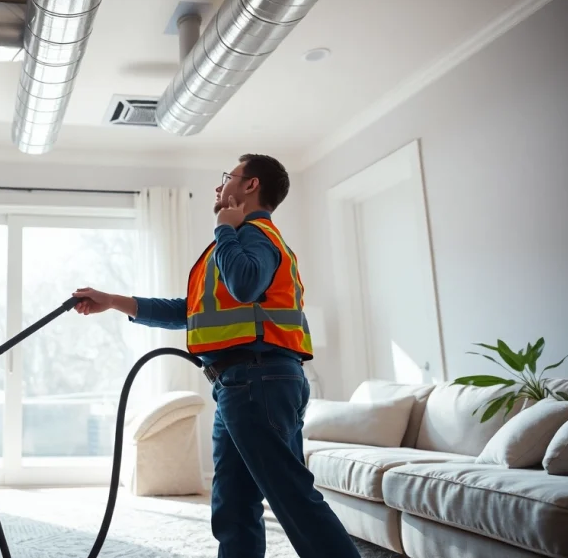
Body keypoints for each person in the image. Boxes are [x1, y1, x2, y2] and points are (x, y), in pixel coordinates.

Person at [72, 154, 361, 558]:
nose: (219, 186)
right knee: (233, 503)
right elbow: (189, 311)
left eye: (229, 177)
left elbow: (244, 285)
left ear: (251, 186)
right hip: (239, 385)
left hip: (258, 380)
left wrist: (225, 229)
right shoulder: (237, 242)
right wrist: (114, 301)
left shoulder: (254, 236)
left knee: (292, 499)